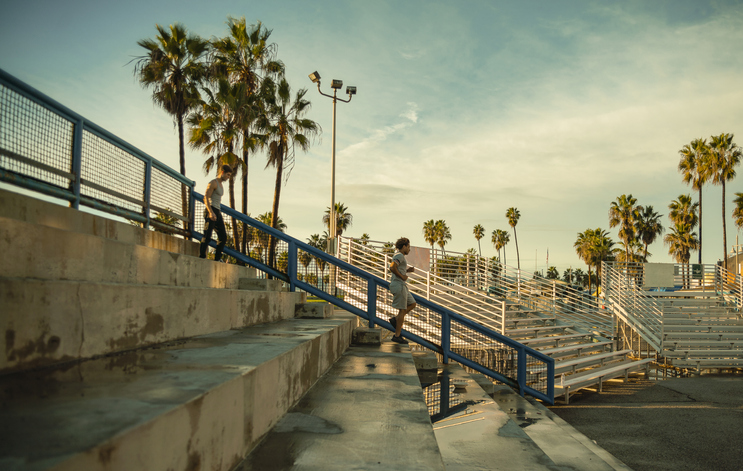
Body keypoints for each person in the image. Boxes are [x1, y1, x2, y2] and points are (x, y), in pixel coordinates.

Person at [199, 165, 232, 262]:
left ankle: (217, 258)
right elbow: (205, 198)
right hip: (211, 210)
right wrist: (210, 212)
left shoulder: (221, 185)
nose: (228, 177)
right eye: (227, 175)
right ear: (222, 172)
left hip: (217, 211)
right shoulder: (213, 183)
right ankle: (202, 257)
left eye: (229, 176)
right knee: (207, 235)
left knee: (223, 237)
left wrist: (216, 212)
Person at [388, 237, 416, 344]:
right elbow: (392, 267)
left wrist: (407, 271)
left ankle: (396, 319)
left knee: (412, 303)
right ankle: (397, 335)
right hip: (399, 285)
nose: (409, 249)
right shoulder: (399, 255)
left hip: (402, 285)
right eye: (408, 247)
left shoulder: (400, 256)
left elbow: (397, 268)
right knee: (402, 310)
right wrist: (402, 276)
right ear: (403, 246)